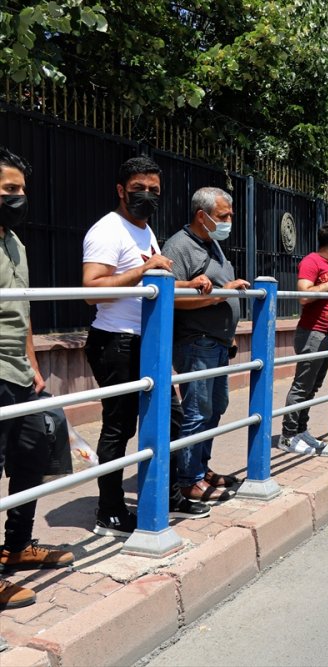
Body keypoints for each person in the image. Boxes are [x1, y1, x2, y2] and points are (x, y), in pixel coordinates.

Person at [82, 156, 210, 537]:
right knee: (118, 428)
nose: (147, 196)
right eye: (139, 189)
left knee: (168, 417)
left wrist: (193, 283)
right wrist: (144, 267)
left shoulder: (145, 230)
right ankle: (110, 511)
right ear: (121, 190)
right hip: (115, 342)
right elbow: (92, 289)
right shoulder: (108, 230)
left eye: (154, 190)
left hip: (149, 342)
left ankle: (164, 494)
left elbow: (155, 281)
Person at [0, 147, 74, 610]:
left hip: (20, 372)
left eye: (22, 191)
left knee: (30, 459)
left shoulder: (16, 243)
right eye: (10, 190)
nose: (19, 198)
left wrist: (35, 366)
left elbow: (22, 308)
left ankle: (17, 545)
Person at [161, 187, 249, 503]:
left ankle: (200, 466)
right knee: (197, 411)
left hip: (218, 343)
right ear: (203, 216)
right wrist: (223, 295)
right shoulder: (180, 247)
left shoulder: (212, 245)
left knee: (216, 408)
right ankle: (189, 480)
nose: (228, 222)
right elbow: (170, 297)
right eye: (223, 216)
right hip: (196, 342)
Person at [280, 221, 328, 454]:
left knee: (313, 387)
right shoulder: (312, 261)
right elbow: (304, 295)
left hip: (327, 334)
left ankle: (300, 429)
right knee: (302, 387)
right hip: (312, 333)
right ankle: (288, 436)